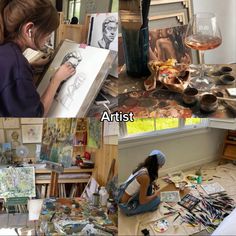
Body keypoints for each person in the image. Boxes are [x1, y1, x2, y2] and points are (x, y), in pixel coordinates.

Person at [0, 0, 76, 117]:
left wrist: (31, 66)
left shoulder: (6, 49)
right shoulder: (17, 65)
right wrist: (56, 79)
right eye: (48, 32)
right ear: (29, 29)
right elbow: (35, 117)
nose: (49, 38)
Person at [117, 150, 166, 216]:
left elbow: (139, 183)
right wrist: (155, 195)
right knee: (157, 201)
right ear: (156, 165)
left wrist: (152, 184)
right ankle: (130, 212)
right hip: (126, 206)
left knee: (149, 189)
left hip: (121, 195)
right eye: (161, 166)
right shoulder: (145, 177)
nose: (161, 167)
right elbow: (142, 201)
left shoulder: (142, 167)